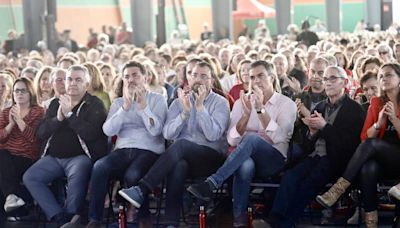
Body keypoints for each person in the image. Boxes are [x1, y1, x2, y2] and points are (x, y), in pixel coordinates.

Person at [118, 61, 230, 227]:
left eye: (203, 76)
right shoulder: (178, 102)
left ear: (212, 80)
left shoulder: (220, 102)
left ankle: (142, 189)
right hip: (185, 158)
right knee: (179, 166)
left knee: (181, 145)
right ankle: (171, 222)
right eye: (193, 75)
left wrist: (199, 108)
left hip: (211, 158)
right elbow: (167, 134)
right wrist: (184, 114)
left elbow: (213, 135)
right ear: (187, 79)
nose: (197, 79)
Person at [187, 60, 297, 227]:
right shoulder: (242, 102)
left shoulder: (286, 104)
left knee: (252, 139)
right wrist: (245, 117)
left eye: (261, 76)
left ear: (272, 77)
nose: (256, 81)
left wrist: (260, 110)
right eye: (252, 77)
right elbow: (231, 139)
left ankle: (214, 182)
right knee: (245, 163)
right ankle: (239, 220)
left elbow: (280, 138)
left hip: (273, 159)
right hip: (245, 159)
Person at [269, 66, 365, 227]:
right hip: (315, 156)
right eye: (326, 79)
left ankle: (287, 222)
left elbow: (349, 145)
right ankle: (275, 217)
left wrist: (324, 127)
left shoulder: (354, 109)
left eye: (333, 78)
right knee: (290, 177)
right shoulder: (320, 107)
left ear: (345, 82)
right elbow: (308, 146)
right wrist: (312, 133)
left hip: (337, 160)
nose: (327, 82)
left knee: (309, 182)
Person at [316, 63, 400, 228]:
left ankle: (338, 189)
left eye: (389, 75)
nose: (384, 79)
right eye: (381, 76)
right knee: (368, 167)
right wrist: (379, 122)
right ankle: (371, 223)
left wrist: (395, 120)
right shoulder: (376, 102)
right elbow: (364, 137)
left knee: (373, 144)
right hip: (383, 160)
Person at [23, 65, 108, 227]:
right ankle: (60, 217)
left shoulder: (94, 104)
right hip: (53, 158)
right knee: (30, 177)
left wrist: (70, 115)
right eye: (70, 79)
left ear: (86, 84)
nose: (73, 83)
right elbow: (41, 132)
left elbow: (91, 133)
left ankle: (71, 215)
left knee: (79, 171)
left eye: (78, 80)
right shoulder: (56, 103)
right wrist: (58, 119)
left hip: (81, 157)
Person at [86, 61, 168, 228]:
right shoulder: (118, 103)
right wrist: (125, 107)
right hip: (123, 150)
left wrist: (143, 107)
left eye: (135, 75)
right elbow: (108, 130)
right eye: (126, 77)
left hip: (149, 150)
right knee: (99, 167)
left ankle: (145, 218)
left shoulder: (158, 99)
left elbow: (156, 131)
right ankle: (95, 219)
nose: (130, 80)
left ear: (145, 78)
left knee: (133, 174)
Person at [0, 78, 44, 212]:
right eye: (16, 91)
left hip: (26, 156)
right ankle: (13, 198)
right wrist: (11, 124)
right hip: (6, 156)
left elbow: (35, 139)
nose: (19, 94)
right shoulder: (7, 112)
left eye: (23, 91)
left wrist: (19, 120)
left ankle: (18, 199)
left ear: (30, 92)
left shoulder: (38, 112)